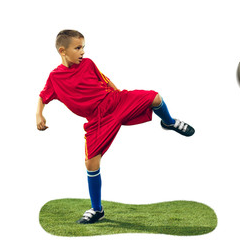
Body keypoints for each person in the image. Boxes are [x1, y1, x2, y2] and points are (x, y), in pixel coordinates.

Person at [36, 30, 195, 224]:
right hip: (97, 120)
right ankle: (97, 210)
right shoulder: (55, 78)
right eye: (78, 48)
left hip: (115, 101)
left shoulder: (88, 64)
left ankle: (169, 122)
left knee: (155, 97)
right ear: (63, 50)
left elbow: (105, 80)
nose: (82, 52)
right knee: (91, 164)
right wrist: (39, 114)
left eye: (83, 47)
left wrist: (121, 95)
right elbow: (43, 97)